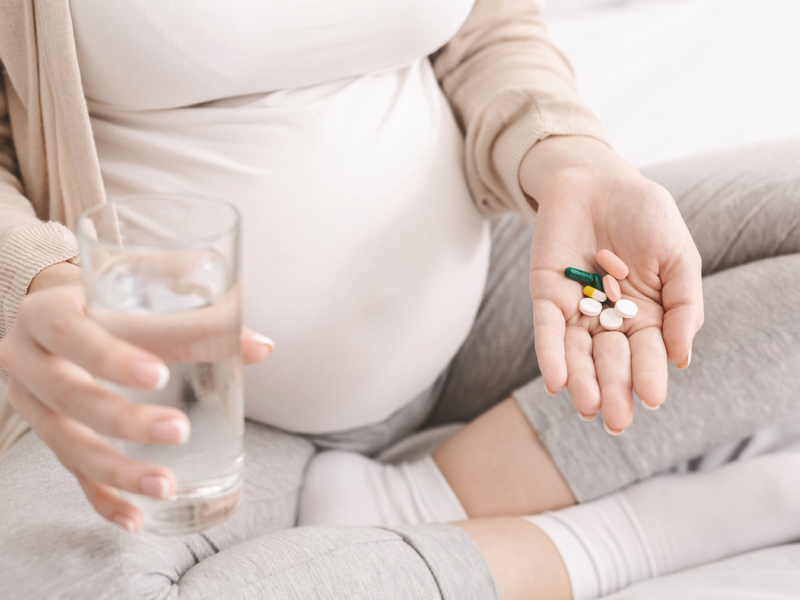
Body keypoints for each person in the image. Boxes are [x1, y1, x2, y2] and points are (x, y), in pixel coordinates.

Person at [1, 0, 799, 598]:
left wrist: (570, 160)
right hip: (179, 392)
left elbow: (481, 24)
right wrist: (36, 280)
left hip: (499, 282)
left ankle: (421, 496)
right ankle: (646, 532)